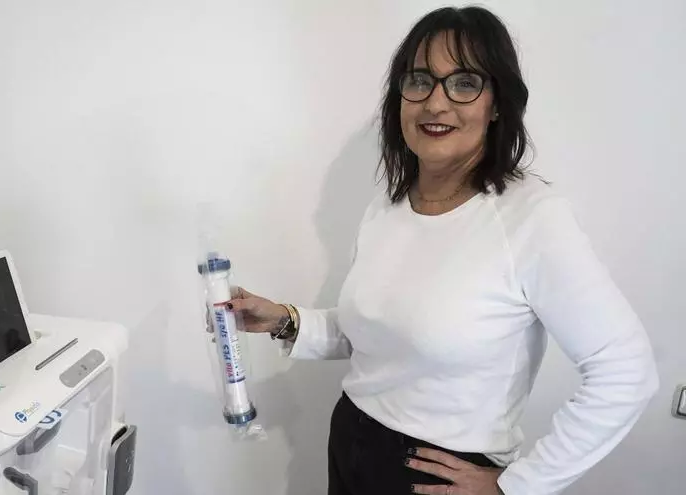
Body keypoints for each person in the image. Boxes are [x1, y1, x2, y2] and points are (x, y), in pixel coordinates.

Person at [225, 6, 658, 495]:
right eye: (420, 80)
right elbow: (377, 334)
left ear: (497, 104)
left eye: (464, 83)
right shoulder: (387, 207)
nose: (436, 103)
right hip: (350, 441)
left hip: (435, 476)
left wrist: (518, 485)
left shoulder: (532, 219)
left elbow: (626, 372)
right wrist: (283, 319)